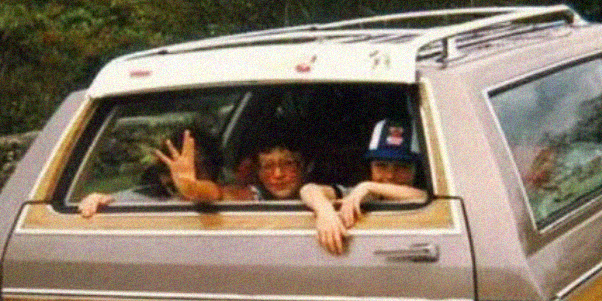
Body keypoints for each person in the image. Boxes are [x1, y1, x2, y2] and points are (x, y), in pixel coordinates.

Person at [301, 119, 427, 255]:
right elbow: (308, 189)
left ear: (416, 169)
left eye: (402, 166)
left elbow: (422, 195)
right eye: (381, 165)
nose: (390, 175)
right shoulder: (365, 195)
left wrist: (368, 186)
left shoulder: (367, 190)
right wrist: (324, 211)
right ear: (370, 167)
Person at [156, 129, 337, 203]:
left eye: (288, 164)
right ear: (257, 171)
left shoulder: (330, 191)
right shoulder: (253, 196)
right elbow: (217, 193)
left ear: (306, 166)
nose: (278, 174)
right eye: (267, 167)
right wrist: (190, 186)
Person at [78, 127, 221, 217]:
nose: (176, 179)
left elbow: (211, 193)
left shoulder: (228, 194)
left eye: (195, 168)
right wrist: (96, 200)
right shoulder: (153, 198)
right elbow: (120, 200)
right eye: (169, 170)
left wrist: (189, 186)